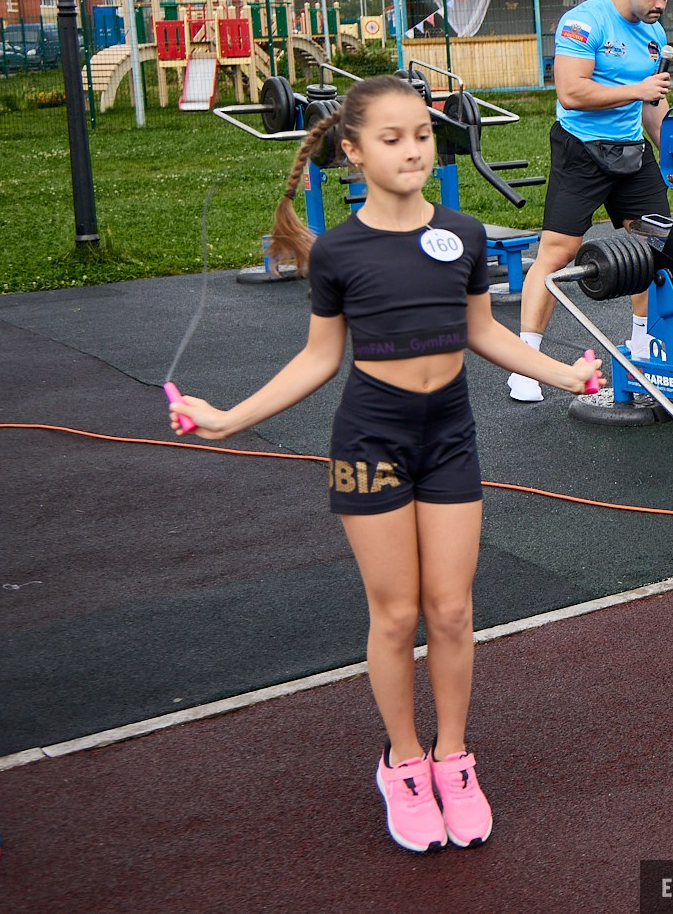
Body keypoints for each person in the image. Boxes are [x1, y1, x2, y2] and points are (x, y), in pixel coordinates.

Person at [168, 75, 600, 853]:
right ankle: (402, 760)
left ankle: (453, 758)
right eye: (393, 138)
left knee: (454, 609)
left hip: (450, 435)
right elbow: (317, 359)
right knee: (397, 615)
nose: (411, 150)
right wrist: (229, 417)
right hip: (372, 438)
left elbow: (482, 332)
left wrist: (562, 371)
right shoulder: (338, 251)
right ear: (353, 151)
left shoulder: (464, 234)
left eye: (422, 136)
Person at [507, 0, 673, 402]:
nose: (660, 4)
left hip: (631, 150)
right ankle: (526, 365)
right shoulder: (585, 22)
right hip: (580, 148)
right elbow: (570, 92)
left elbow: (653, 103)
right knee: (558, 253)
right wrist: (637, 90)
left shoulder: (654, 32)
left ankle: (645, 344)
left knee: (655, 245)